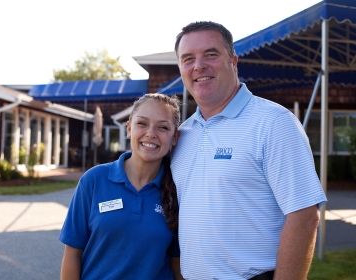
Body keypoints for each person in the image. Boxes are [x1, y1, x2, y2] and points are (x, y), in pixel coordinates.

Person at [171, 21, 327, 280]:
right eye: (188, 59)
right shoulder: (184, 134)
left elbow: (304, 216)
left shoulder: (274, 122)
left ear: (233, 60)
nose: (198, 66)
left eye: (211, 54)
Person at [60, 93, 183, 280]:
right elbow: (72, 254)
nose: (151, 133)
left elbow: (177, 263)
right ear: (128, 129)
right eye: (142, 123)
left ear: (174, 137)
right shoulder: (93, 181)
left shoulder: (178, 191)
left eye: (163, 127)